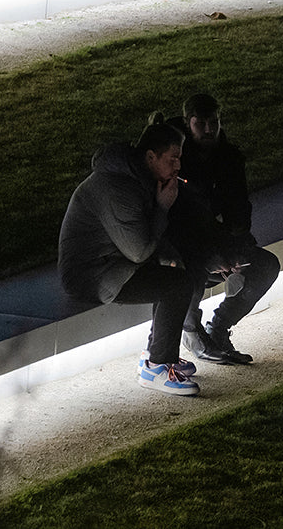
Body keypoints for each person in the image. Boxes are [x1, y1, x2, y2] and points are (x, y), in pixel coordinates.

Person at [57, 120, 203, 396]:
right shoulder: (117, 189)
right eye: (173, 159)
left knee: (177, 271)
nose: (178, 167)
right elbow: (139, 250)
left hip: (115, 262)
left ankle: (156, 353)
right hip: (94, 275)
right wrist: (162, 208)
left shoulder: (138, 178)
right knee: (177, 284)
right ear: (151, 157)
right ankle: (157, 366)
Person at [168, 92, 281, 365]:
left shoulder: (228, 157)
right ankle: (191, 331)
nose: (209, 129)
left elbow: (239, 208)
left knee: (265, 265)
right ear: (187, 123)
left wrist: (236, 247)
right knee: (192, 266)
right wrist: (214, 251)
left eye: (214, 122)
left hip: (215, 241)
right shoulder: (175, 158)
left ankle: (218, 328)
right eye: (201, 123)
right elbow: (180, 219)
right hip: (179, 245)